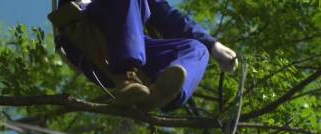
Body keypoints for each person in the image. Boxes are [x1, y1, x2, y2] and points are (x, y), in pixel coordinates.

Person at [53, 0, 238, 110]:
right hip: (85, 37)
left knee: (196, 50)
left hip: (130, 43)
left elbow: (167, 16)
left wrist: (213, 45)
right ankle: (125, 78)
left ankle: (161, 94)